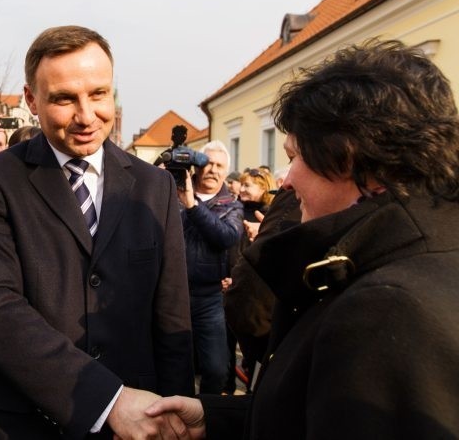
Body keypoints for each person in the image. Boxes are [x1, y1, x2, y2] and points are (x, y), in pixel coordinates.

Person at [145, 40, 459, 439]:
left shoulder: (386, 308)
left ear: (346, 156)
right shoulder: (410, 257)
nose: (286, 179)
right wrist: (215, 417)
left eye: (295, 156)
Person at [0, 25, 193, 439]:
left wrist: (171, 417)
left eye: (99, 94)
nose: (86, 116)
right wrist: (106, 400)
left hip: (137, 426)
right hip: (17, 423)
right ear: (31, 99)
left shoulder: (155, 187)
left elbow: (171, 315)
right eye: (64, 99)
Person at [177, 140, 243, 395]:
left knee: (216, 368)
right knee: (174, 364)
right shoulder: (172, 192)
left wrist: (192, 205)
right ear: (196, 166)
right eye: (208, 163)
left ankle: (207, 416)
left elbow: (226, 237)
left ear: (226, 171)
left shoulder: (232, 205)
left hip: (209, 297)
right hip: (173, 294)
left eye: (220, 166)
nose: (214, 170)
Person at [223, 168, 277, 388]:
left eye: (248, 185)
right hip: (228, 283)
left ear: (264, 188)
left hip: (251, 290)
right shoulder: (234, 210)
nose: (242, 189)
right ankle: (226, 388)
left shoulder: (271, 214)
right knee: (226, 345)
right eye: (242, 184)